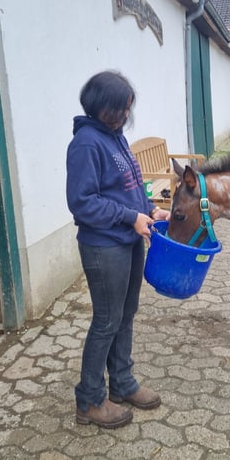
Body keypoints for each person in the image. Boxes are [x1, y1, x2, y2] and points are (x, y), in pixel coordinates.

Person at [66, 70, 170, 429]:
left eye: (128, 108)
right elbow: (82, 203)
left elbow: (130, 186)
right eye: (122, 108)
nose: (127, 115)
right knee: (106, 320)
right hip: (103, 246)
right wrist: (131, 216)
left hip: (127, 240)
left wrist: (150, 208)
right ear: (103, 107)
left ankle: (122, 383)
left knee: (125, 315)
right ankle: (90, 400)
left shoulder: (116, 137)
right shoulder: (86, 144)